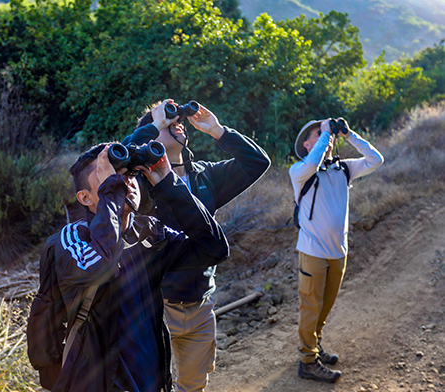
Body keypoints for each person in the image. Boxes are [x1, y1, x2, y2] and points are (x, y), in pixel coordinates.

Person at [47, 100, 230, 392]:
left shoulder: (150, 234)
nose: (126, 181)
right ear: (85, 197)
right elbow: (101, 265)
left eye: (129, 174)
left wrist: (169, 184)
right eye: (111, 175)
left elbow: (214, 249)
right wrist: (153, 128)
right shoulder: (70, 240)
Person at [123, 99, 270, 391]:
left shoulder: (206, 176)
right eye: (167, 123)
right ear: (151, 135)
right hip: (154, 307)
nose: (176, 123)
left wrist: (218, 130)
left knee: (193, 386)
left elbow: (257, 162)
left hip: (200, 304)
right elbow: (116, 161)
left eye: (177, 121)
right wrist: (154, 124)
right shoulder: (138, 182)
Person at [290, 118, 383, 382]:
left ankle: (313, 347)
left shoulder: (343, 169)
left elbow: (376, 159)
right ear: (308, 144)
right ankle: (307, 361)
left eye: (326, 133)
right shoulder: (300, 170)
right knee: (311, 307)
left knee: (325, 307)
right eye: (318, 134)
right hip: (312, 252)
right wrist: (326, 133)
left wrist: (349, 133)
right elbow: (312, 162)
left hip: (338, 251)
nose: (326, 136)